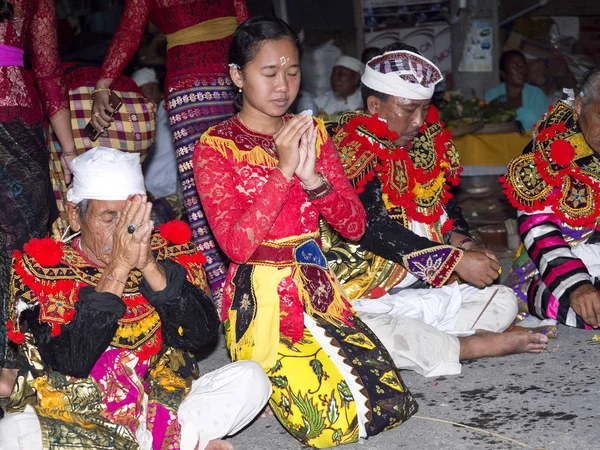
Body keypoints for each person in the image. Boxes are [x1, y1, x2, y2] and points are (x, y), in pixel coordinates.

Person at [193, 17, 417, 448]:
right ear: (237, 76)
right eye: (269, 73)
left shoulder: (312, 131)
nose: (283, 86)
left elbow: (354, 225)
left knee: (390, 405)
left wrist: (314, 179)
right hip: (260, 299)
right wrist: (283, 169)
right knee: (331, 425)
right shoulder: (215, 146)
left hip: (318, 286)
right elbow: (236, 246)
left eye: (292, 72)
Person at [0, 146, 271, 449]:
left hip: (159, 408)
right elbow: (71, 360)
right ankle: (178, 443)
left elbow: (200, 335)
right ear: (75, 215)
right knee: (13, 433)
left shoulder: (168, 251)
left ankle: (158, 440)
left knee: (252, 379)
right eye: (109, 218)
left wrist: (148, 265)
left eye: (131, 219)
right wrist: (118, 267)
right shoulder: (43, 268)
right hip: (81, 418)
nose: (122, 233)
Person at [321, 44, 548, 378]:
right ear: (374, 105)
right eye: (409, 108)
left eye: (425, 109)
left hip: (421, 298)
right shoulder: (349, 146)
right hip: (364, 300)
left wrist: (465, 244)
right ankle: (471, 347)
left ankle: (438, 344)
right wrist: (454, 260)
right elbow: (372, 228)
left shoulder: (423, 142)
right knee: (348, 334)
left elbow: (444, 207)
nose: (418, 121)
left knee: (502, 300)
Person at [90, 0, 251, 312]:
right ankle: (223, 289)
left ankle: (259, 271)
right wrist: (102, 83)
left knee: (248, 173)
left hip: (238, 79)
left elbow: (245, 23)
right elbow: (129, 31)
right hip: (190, 87)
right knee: (201, 189)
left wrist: (258, 70)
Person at [0, 0, 76, 390]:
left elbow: (47, 70)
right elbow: (47, 71)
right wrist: (69, 152)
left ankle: (12, 360)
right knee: (21, 244)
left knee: (24, 244)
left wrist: (70, 152)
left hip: (15, 122)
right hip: (15, 115)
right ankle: (11, 363)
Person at [503, 68, 600, 330]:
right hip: (551, 271)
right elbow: (539, 230)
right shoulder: (545, 151)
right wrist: (578, 284)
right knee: (588, 310)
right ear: (580, 105)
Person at [130, 67, 180, 202]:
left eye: (154, 90)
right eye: (147, 92)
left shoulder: (169, 110)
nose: (152, 95)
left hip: (174, 188)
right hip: (148, 190)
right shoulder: (134, 120)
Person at [485, 50, 550, 131]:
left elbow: (548, 126)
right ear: (503, 74)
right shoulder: (492, 96)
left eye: (522, 66)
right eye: (513, 67)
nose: (520, 70)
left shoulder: (536, 94)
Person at [298, 55, 364, 120]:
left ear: (355, 78)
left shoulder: (365, 101)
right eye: (334, 74)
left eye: (342, 74)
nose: (335, 78)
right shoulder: (318, 103)